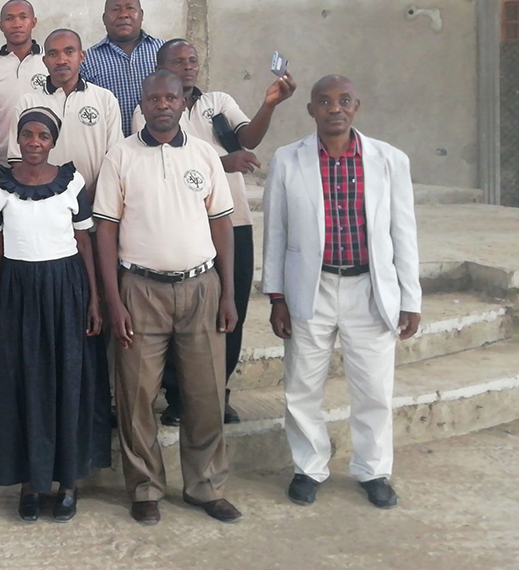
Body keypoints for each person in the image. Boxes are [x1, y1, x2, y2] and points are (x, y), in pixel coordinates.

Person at [262, 75, 422, 510]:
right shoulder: (288, 160)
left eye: (344, 101)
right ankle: (309, 467)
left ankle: (373, 470)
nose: (335, 108)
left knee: (373, 388)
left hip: (369, 289)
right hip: (308, 290)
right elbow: (275, 230)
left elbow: (403, 232)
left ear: (357, 107)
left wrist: (411, 298)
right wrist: (276, 296)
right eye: (325, 101)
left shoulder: (388, 160)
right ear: (311, 109)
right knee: (302, 385)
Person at [94, 71, 242, 525]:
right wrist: (112, 300)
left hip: (201, 288)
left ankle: (205, 486)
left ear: (184, 102)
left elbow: (221, 224)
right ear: (141, 103)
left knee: (205, 395)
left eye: (171, 97)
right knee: (136, 397)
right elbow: (105, 228)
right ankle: (145, 488)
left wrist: (228, 293)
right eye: (154, 97)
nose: (163, 104)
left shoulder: (205, 155)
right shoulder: (120, 156)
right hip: (139, 290)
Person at [132, 38, 297, 426]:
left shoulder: (218, 102)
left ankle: (216, 392)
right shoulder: (151, 108)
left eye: (192, 60)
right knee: (184, 313)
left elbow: (249, 139)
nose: (187, 66)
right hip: (183, 225)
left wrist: (269, 103)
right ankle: (177, 396)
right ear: (160, 66)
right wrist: (225, 162)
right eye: (178, 61)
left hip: (231, 220)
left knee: (231, 304)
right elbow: (166, 156)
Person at [0, 107, 109, 523]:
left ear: (53, 141)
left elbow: (85, 242)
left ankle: (68, 483)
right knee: (24, 384)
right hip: (18, 293)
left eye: (43, 136)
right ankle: (30, 483)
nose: (34, 143)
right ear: (17, 139)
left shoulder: (72, 183)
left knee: (66, 381)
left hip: (66, 290)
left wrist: (94, 299)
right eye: (27, 135)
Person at [7, 29, 123, 194]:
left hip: (94, 200)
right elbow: (17, 160)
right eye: (53, 54)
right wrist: (46, 198)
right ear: (45, 61)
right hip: (44, 202)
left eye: (69, 52)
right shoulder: (28, 102)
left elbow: (114, 159)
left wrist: (87, 199)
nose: (61, 60)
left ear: (82, 56)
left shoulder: (105, 99)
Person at [0, 0, 45, 180]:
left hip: (46, 168)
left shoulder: (49, 64)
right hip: (0, 169)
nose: (17, 24)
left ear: (34, 22)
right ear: (0, 25)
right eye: (9, 18)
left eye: (23, 17)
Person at [81, 0, 164, 136]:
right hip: (109, 150)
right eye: (115, 10)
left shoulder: (163, 51)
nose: (123, 15)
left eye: (130, 8)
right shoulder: (87, 60)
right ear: (104, 18)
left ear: (142, 15)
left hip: (159, 148)